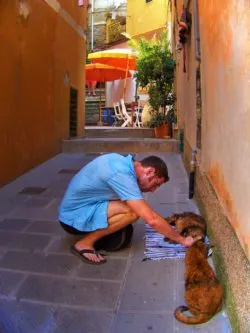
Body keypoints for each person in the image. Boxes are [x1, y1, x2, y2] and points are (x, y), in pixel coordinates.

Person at [58, 153, 200, 265]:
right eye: (155, 184)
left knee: (129, 217)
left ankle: (97, 233)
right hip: (71, 218)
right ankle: (84, 244)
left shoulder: (123, 163)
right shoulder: (121, 174)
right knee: (133, 212)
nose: (153, 191)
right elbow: (152, 219)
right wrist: (182, 240)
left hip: (81, 207)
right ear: (149, 172)